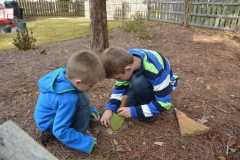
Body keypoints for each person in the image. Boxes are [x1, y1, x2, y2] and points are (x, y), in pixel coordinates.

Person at [34, 50, 105, 154]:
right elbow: (60, 131)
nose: (92, 87)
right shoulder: (67, 99)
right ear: (78, 82)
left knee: (81, 95)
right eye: (91, 85)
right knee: (82, 96)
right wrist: (84, 141)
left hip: (47, 119)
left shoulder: (65, 73)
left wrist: (89, 110)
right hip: (50, 124)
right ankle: (82, 132)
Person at [100, 47, 178, 127]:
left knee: (138, 81)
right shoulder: (125, 60)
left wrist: (133, 112)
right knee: (122, 107)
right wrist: (109, 108)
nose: (118, 80)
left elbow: (164, 104)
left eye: (118, 78)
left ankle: (149, 114)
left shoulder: (158, 72)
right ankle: (141, 97)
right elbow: (120, 86)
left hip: (162, 84)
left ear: (128, 69)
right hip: (143, 80)